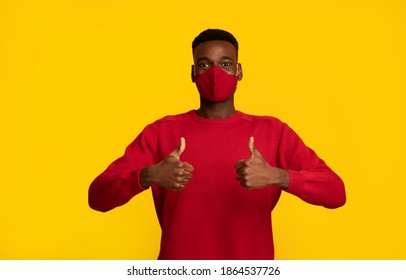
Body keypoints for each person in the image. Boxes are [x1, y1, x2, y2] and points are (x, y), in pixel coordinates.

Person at [88, 29, 346, 260]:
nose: (215, 73)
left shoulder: (272, 131)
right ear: (192, 73)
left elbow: (336, 192)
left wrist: (279, 176)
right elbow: (97, 197)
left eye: (225, 63)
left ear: (239, 71)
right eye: (204, 64)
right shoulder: (161, 132)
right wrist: (147, 175)